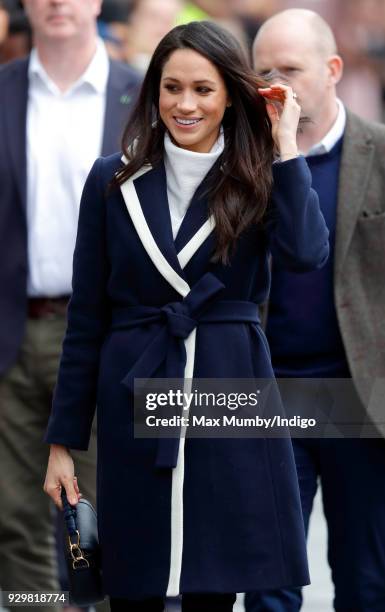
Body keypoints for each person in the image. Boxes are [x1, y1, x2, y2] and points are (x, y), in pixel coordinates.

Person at [43, 20, 329, 611]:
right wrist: (63, 442)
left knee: (211, 580)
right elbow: (86, 318)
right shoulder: (113, 178)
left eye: (203, 89)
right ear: (154, 92)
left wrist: (286, 146)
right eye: (171, 88)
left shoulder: (258, 175)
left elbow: (307, 254)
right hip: (136, 388)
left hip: (227, 383)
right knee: (135, 580)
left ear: (230, 94)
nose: (185, 103)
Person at [0, 0, 140, 608]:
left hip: (108, 336)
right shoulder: (2, 91)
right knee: (14, 516)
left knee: (100, 516)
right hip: (12, 330)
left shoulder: (143, 94)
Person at [245, 8, 385, 612]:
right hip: (268, 394)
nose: (276, 84)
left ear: (332, 70)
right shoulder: (240, 164)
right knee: (267, 581)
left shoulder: (379, 153)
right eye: (263, 71)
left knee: (367, 578)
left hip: (363, 394)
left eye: (291, 69)